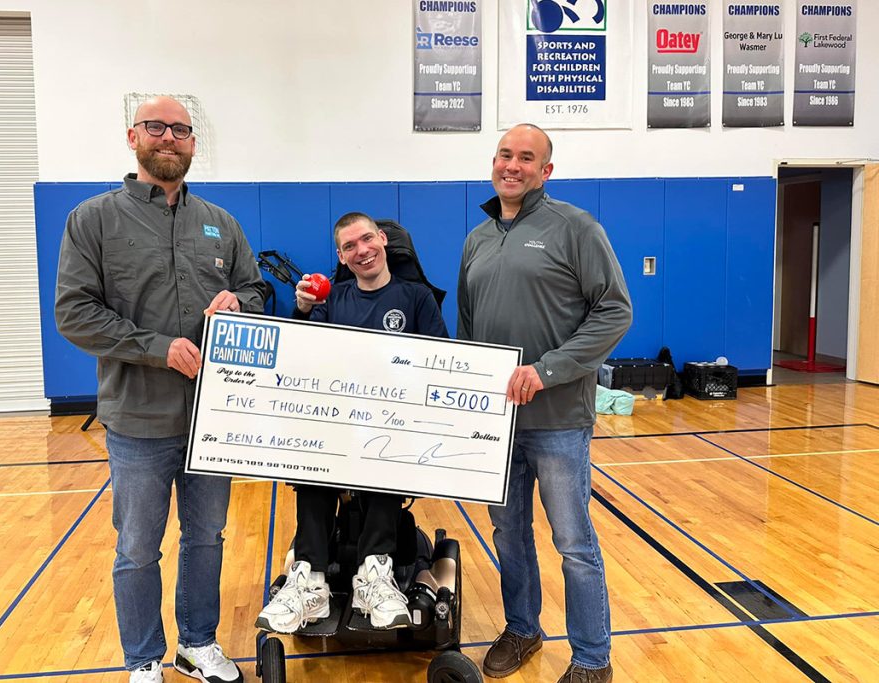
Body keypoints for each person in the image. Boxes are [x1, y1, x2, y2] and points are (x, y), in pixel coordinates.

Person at [56, 96, 266, 683]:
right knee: (137, 547)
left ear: (194, 143)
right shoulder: (93, 219)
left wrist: (240, 303)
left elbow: (255, 293)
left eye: (180, 130)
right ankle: (143, 659)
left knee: (206, 537)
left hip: (213, 418)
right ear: (133, 137)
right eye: (156, 127)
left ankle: (197, 644)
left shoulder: (221, 224)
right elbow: (74, 313)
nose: (168, 138)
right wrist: (157, 348)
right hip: (138, 419)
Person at [457, 124, 632, 682]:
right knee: (509, 534)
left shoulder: (575, 227)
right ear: (494, 162)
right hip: (496, 425)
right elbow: (467, 329)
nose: (513, 165)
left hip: (557, 422)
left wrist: (547, 369)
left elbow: (614, 311)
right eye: (505, 155)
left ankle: (591, 659)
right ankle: (523, 628)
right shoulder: (478, 238)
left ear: (545, 170)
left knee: (573, 542)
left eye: (526, 158)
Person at [255, 212, 448, 633]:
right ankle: (310, 578)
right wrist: (303, 310)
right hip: (338, 427)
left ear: (382, 239)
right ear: (341, 257)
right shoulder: (332, 300)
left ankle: (375, 573)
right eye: (349, 247)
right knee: (311, 459)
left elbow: (441, 364)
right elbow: (301, 357)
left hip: (393, 427)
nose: (361, 251)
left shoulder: (416, 298)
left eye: (366, 240)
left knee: (382, 453)